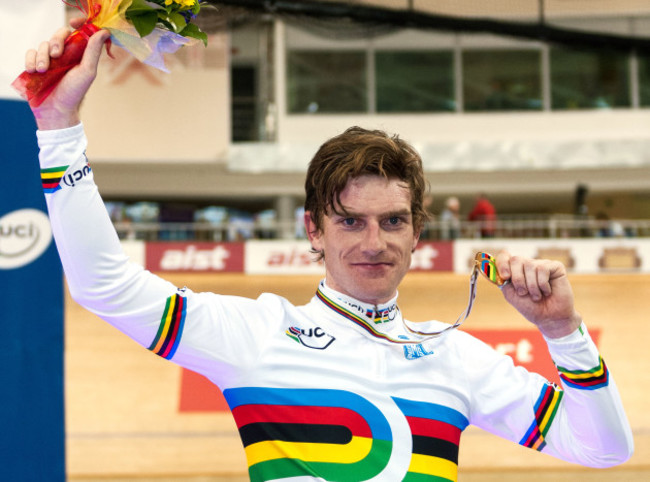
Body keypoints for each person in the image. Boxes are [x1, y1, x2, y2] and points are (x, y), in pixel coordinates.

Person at [25, 24, 633, 481]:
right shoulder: (256, 333)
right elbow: (102, 286)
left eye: (394, 221)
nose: (375, 243)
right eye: (350, 222)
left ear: (417, 232)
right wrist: (58, 128)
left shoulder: (459, 359)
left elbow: (606, 450)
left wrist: (564, 334)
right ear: (313, 230)